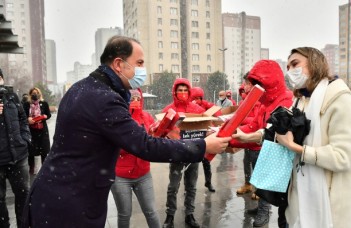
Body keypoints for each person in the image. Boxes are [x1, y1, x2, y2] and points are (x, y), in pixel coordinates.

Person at [22, 36, 231, 228]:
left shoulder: (81, 88)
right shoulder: (105, 99)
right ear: (119, 64)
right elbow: (144, 145)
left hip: (52, 192)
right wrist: (203, 146)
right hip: (70, 203)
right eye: (139, 63)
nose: (143, 69)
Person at [276, 47, 351, 228]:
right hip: (298, 200)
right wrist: (249, 137)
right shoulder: (301, 100)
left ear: (314, 63)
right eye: (288, 67)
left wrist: (297, 148)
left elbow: (343, 157)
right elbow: (287, 131)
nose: (291, 71)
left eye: (295, 64)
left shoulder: (339, 100)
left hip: (327, 205)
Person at [230, 60, 293, 227]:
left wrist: (240, 137)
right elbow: (253, 125)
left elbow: (272, 132)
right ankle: (261, 210)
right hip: (264, 147)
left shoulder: (285, 100)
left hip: (280, 155)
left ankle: (264, 213)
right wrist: (230, 134)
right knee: (260, 183)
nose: (254, 88)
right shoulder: (266, 102)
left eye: (258, 83)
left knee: (280, 198)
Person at [110, 89, 160, 228]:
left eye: (138, 98)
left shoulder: (147, 117)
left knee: (151, 212)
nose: (136, 101)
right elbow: (114, 146)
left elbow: (153, 141)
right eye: (132, 99)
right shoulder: (118, 118)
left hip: (143, 174)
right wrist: (136, 143)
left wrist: (156, 134)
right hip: (121, 177)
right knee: (124, 214)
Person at [161, 79, 205, 228]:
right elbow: (161, 129)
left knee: (191, 186)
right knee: (173, 186)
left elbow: (204, 126)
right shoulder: (168, 109)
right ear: (174, 91)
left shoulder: (196, 109)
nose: (183, 93)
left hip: (193, 154)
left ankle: (189, 215)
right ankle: (170, 216)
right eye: (180, 90)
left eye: (185, 90)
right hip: (176, 154)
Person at [0, 69, 31, 228]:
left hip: (19, 156)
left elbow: (22, 119)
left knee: (24, 195)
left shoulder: (12, 97)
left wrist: (25, 139)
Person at [235, 73, 262, 199]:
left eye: (246, 84)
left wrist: (241, 120)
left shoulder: (257, 102)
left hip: (255, 141)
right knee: (246, 163)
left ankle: (258, 190)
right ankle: (247, 184)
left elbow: (255, 122)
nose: (244, 87)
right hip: (246, 139)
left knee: (257, 166)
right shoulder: (245, 102)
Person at [190, 87, 216, 192]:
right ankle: (190, 186)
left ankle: (208, 182)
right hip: (193, 137)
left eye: (199, 98)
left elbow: (215, 113)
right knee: (190, 165)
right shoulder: (190, 107)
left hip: (205, 137)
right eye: (195, 98)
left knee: (206, 161)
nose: (197, 100)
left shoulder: (206, 105)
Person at [23, 87, 51, 175]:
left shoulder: (44, 103)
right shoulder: (26, 104)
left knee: (44, 150)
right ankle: (31, 168)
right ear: (30, 94)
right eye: (33, 93)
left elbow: (48, 114)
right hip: (31, 131)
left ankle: (44, 169)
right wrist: (28, 119)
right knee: (31, 151)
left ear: (39, 94)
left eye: (36, 93)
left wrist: (43, 118)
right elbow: (23, 116)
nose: (35, 94)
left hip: (42, 130)